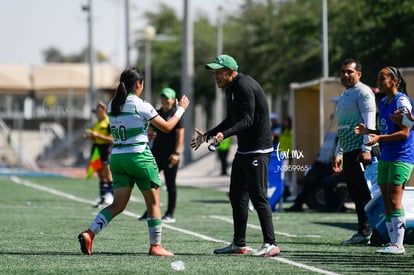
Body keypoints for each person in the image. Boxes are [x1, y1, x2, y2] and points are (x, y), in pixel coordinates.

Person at [78, 67, 189, 256]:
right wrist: (181, 109)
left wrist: (145, 133)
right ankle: (156, 246)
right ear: (138, 84)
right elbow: (169, 127)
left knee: (117, 205)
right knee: (153, 203)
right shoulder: (141, 104)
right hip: (139, 158)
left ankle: (90, 233)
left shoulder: (113, 104)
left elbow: (126, 128)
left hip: (118, 158)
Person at [191, 54, 280, 257]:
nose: (215, 77)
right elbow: (231, 119)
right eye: (214, 73)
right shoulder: (231, 88)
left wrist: (225, 134)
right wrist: (207, 135)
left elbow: (247, 120)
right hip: (244, 149)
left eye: (218, 73)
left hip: (258, 149)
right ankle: (239, 244)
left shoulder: (244, 86)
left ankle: (271, 243)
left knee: (258, 197)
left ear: (230, 72)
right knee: (237, 195)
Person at [355, 66, 414, 255]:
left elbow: (405, 133)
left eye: (383, 78)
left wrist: (379, 139)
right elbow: (387, 132)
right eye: (378, 78)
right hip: (387, 156)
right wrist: (369, 132)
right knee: (386, 201)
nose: (379, 82)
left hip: (401, 157)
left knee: (395, 199)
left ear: (394, 81)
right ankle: (392, 242)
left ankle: (399, 245)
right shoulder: (384, 102)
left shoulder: (401, 101)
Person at [333, 58, 379, 245]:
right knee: (357, 194)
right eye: (343, 71)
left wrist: (366, 148)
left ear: (359, 74)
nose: (345, 75)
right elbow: (343, 127)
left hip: (363, 152)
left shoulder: (364, 92)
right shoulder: (345, 95)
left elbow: (369, 122)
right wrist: (339, 152)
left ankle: (379, 232)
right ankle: (364, 231)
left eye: (350, 72)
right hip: (350, 152)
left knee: (369, 194)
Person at [138, 87, 184, 223]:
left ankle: (170, 213)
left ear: (174, 100)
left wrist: (176, 153)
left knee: (170, 185)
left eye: (167, 98)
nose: (164, 100)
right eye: (163, 97)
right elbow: (150, 130)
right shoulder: (157, 113)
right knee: (151, 182)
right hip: (156, 153)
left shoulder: (176, 115)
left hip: (170, 154)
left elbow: (180, 135)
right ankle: (150, 211)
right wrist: (148, 134)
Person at [83, 101, 114, 208]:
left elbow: (113, 139)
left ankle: (111, 196)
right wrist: (90, 136)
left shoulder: (108, 122)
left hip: (105, 149)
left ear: (104, 110)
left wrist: (98, 135)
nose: (96, 112)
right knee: (100, 174)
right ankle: (103, 197)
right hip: (96, 148)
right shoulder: (97, 123)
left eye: (98, 109)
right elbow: (95, 136)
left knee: (108, 174)